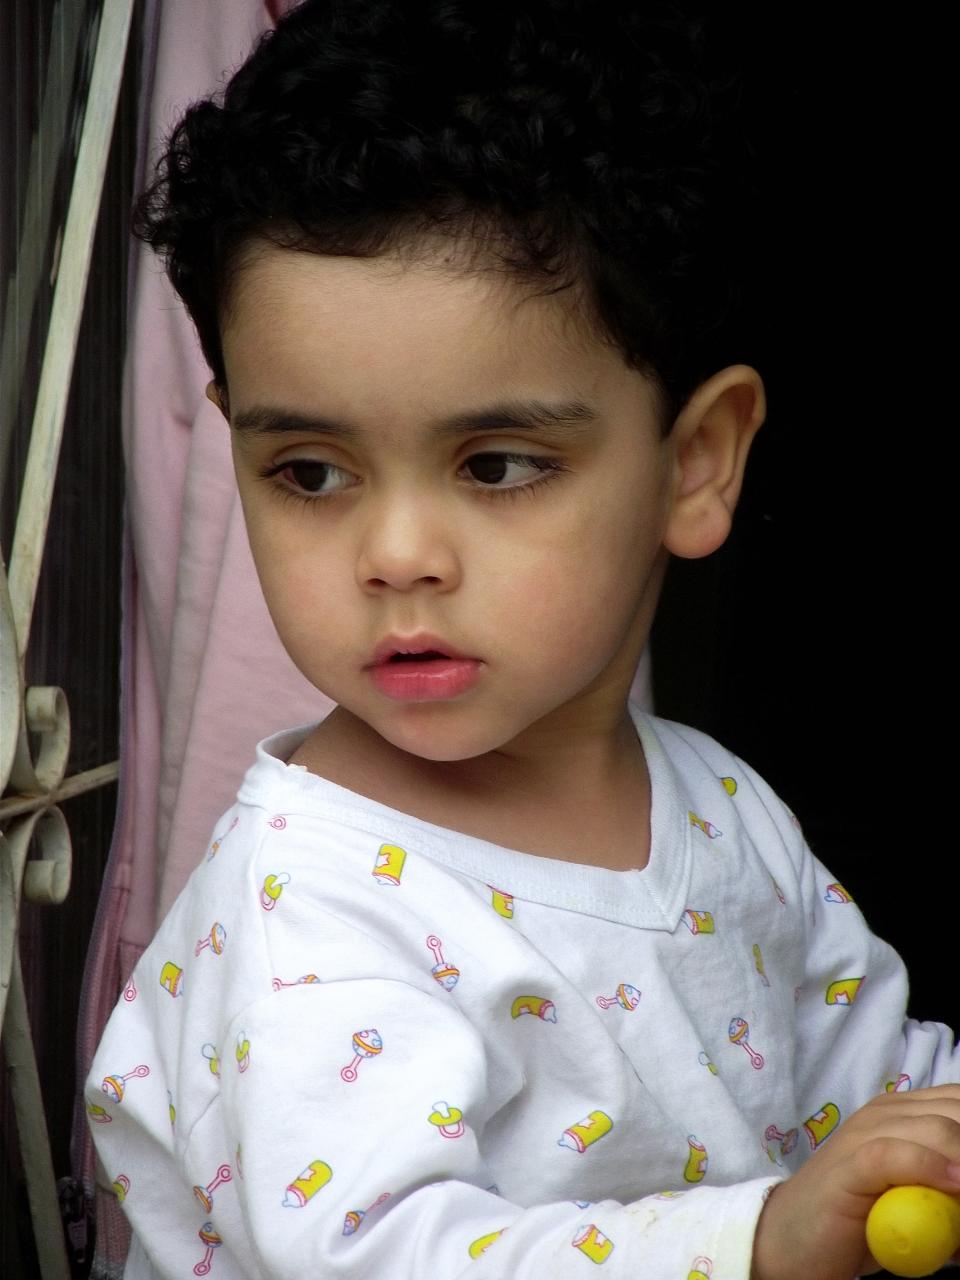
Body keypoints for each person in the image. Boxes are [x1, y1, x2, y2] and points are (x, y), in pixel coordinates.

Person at [84, 3, 960, 1277]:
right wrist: (761, 1238)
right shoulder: (308, 911)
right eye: (311, 470)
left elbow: (878, 1084)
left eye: (495, 463)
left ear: (695, 463)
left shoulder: (722, 810)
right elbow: (382, 1256)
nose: (396, 553)